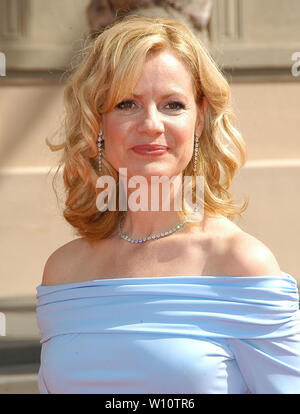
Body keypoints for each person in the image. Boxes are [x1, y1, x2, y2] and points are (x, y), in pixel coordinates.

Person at [36, 15, 300, 394]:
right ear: (97, 121)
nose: (151, 124)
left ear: (200, 118)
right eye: (127, 103)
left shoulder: (239, 264)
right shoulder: (64, 271)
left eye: (173, 105)